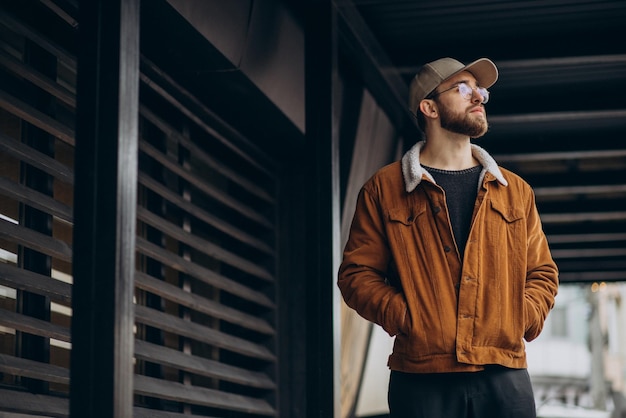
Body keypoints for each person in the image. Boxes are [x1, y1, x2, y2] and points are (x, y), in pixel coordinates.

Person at [337, 57, 559, 418]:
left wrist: (517, 318)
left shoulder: (515, 191)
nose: (479, 97)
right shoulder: (385, 189)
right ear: (429, 107)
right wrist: (409, 320)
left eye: (480, 89)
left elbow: (543, 273)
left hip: (504, 373)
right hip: (421, 377)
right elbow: (356, 275)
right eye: (463, 88)